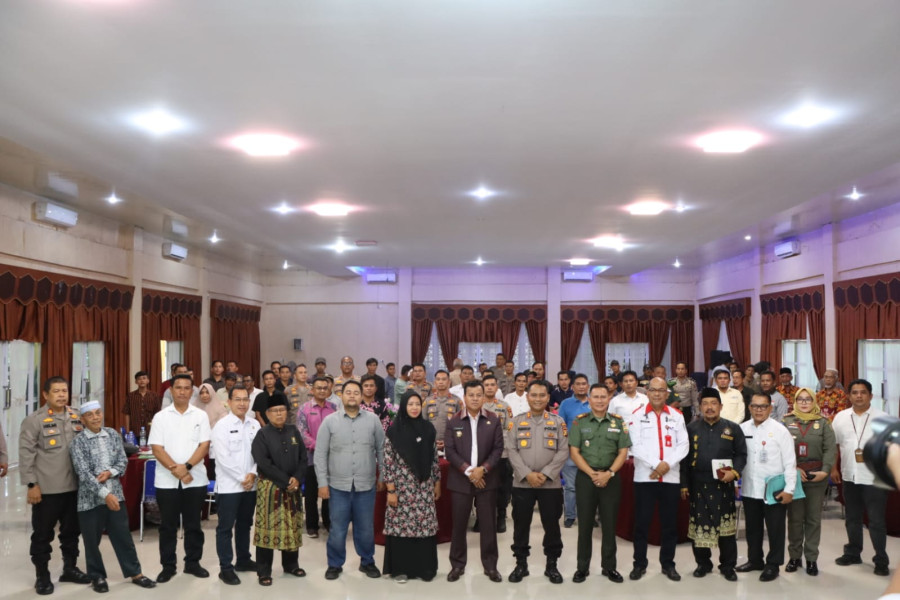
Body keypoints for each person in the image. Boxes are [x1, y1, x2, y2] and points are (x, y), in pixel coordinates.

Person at [69, 401, 156, 592]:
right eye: (90, 415)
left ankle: (136, 573)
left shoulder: (112, 435)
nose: (95, 418)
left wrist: (110, 472)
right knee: (92, 541)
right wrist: (104, 494)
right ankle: (97, 576)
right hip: (89, 500)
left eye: (98, 413)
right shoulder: (78, 442)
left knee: (122, 536)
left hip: (116, 495)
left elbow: (122, 461)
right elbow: (83, 473)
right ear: (82, 419)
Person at [19, 376, 92, 594]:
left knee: (71, 532)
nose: (62, 395)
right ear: (45, 395)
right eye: (56, 391)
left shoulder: (76, 415)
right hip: (48, 489)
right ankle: (42, 575)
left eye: (64, 391)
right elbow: (26, 455)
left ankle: (69, 568)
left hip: (75, 488)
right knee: (42, 534)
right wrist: (31, 484)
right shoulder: (34, 420)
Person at [315, 380, 386, 580]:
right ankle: (335, 564)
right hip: (338, 486)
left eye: (356, 392)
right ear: (341, 396)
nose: (352, 395)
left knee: (365, 528)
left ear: (362, 396)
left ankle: (367, 562)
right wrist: (322, 483)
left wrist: (384, 476)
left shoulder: (373, 420)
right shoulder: (330, 422)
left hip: (366, 484)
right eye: (348, 392)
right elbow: (320, 454)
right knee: (337, 528)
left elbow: (381, 450)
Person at [148, 373, 211, 583]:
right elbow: (156, 448)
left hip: (196, 479)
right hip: (167, 481)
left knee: (193, 524)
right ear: (171, 391)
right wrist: (177, 470)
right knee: (167, 526)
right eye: (178, 387)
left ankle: (193, 563)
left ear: (192, 391)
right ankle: (168, 566)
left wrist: (188, 467)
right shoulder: (161, 417)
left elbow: (204, 445)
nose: (182, 391)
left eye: (186, 388)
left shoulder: (200, 416)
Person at [680, 387, 747, 582]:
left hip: (723, 485)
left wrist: (734, 473)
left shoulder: (732, 428)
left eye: (713, 403)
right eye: (705, 404)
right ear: (700, 407)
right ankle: (703, 564)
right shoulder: (691, 428)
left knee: (725, 530)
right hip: (697, 485)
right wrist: (684, 484)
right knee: (699, 527)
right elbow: (684, 460)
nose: (710, 407)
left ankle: (727, 566)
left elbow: (742, 454)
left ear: (721, 406)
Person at [505, 379, 568, 584]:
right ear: (527, 397)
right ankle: (521, 564)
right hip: (522, 483)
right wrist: (527, 474)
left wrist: (546, 473)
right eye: (534, 395)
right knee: (521, 525)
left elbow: (563, 450)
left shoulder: (557, 422)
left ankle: (552, 565)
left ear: (548, 398)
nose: (538, 399)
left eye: (542, 395)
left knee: (551, 525)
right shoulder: (516, 421)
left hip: (550, 484)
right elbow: (511, 450)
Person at [628, 377, 689, 582]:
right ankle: (639, 564)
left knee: (669, 525)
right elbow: (634, 446)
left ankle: (668, 564)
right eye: (653, 390)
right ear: (647, 392)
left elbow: (684, 445)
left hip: (670, 478)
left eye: (661, 390)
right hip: (645, 478)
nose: (656, 394)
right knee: (642, 524)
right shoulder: (637, 416)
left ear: (667, 393)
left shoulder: (677, 416)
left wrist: (666, 465)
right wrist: (657, 465)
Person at [568, 384, 631, 584]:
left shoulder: (618, 422)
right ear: (590, 398)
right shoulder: (580, 423)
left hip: (611, 478)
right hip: (586, 478)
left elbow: (623, 452)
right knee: (585, 524)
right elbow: (574, 452)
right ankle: (582, 568)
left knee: (609, 525)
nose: (600, 400)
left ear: (609, 398)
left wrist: (609, 473)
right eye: (595, 397)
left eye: (604, 397)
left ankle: (609, 567)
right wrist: (592, 474)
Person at [444, 380, 504, 583]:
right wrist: (471, 472)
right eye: (471, 395)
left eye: (479, 395)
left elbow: (498, 449)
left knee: (488, 524)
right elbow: (450, 452)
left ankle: (490, 566)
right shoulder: (453, 421)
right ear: (464, 397)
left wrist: (482, 470)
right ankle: (457, 565)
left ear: (484, 396)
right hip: (461, 480)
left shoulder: (493, 420)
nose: (476, 398)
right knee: (459, 524)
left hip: (487, 480)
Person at [831, 378, 890, 576]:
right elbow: (834, 446)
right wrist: (833, 469)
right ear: (849, 396)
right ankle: (853, 553)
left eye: (863, 392)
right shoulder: (840, 417)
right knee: (852, 518)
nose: (858, 396)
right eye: (854, 392)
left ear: (871, 396)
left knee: (876, 521)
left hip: (875, 478)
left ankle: (880, 559)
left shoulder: (884, 418)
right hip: (850, 476)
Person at [736, 391, 797, 582]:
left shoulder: (780, 431)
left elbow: (790, 462)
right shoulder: (742, 429)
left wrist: (790, 490)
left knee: (775, 529)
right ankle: (755, 560)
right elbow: (737, 458)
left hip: (774, 490)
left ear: (770, 408)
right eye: (755, 406)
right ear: (749, 408)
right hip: (750, 487)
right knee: (753, 528)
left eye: (763, 406)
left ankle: (773, 565)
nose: (759, 410)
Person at [382, 391, 441, 583]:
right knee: (401, 529)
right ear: (404, 407)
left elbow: (434, 459)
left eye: (417, 404)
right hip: (401, 487)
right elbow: (388, 462)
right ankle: (401, 570)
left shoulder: (428, 429)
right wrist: (391, 490)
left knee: (424, 528)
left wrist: (437, 482)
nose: (414, 408)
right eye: (410, 404)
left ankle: (425, 569)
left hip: (423, 487)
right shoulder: (394, 430)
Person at [783, 387, 836, 576]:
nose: (804, 403)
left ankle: (812, 559)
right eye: (800, 399)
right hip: (793, 477)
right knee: (795, 519)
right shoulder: (786, 421)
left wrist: (825, 471)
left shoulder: (823, 423)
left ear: (814, 402)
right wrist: (793, 469)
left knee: (813, 519)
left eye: (808, 399)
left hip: (817, 477)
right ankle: (794, 557)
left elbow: (830, 450)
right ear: (795, 402)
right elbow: (780, 449)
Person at [212, 385, 260, 585]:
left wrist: (254, 473)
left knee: (245, 524)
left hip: (251, 485)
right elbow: (223, 458)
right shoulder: (221, 426)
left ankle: (243, 560)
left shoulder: (255, 425)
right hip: (229, 487)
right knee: (225, 528)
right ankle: (226, 568)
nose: (242, 403)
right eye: (237, 399)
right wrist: (244, 477)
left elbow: (260, 453)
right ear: (229, 402)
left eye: (245, 399)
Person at [297, 377, 338, 538]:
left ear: (329, 390)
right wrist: (320, 447)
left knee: (330, 492)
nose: (322, 390)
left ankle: (328, 522)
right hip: (310, 458)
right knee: (312, 493)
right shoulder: (304, 409)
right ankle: (312, 525)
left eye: (325, 388)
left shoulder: (334, 408)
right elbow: (301, 433)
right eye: (318, 388)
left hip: (332, 459)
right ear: (312, 390)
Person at [556, 374, 591, 528]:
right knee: (570, 487)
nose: (581, 386)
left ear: (588, 386)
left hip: (591, 453)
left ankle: (589, 516)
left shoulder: (594, 402)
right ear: (573, 387)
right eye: (578, 384)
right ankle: (570, 515)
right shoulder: (566, 404)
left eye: (584, 383)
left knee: (590, 487)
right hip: (571, 451)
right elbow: (560, 427)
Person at [423, 369, 463, 452]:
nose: (441, 382)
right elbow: (422, 423)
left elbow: (460, 425)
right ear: (435, 383)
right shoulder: (427, 401)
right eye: (438, 379)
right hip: (430, 444)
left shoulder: (457, 401)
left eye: (444, 379)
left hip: (451, 445)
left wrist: (448, 442)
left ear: (449, 382)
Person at [123, 370, 161, 437]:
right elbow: (127, 413)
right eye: (139, 379)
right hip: (135, 430)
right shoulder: (131, 396)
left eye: (144, 378)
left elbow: (157, 414)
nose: (142, 380)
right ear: (136, 382)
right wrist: (128, 430)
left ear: (148, 381)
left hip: (150, 430)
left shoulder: (154, 396)